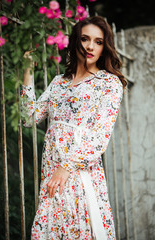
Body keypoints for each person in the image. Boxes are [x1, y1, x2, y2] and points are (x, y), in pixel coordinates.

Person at [21, 16, 127, 240]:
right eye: (85, 39)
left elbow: (99, 137)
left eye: (98, 42)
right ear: (75, 41)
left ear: (104, 47)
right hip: (52, 175)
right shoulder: (59, 82)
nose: (90, 46)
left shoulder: (108, 83)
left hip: (79, 173)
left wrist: (66, 167)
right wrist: (27, 71)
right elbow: (28, 118)